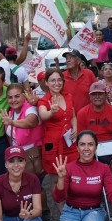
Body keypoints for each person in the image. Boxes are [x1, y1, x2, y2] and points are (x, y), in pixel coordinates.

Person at [38, 69, 77, 208]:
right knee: (55, 179)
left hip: (69, 143)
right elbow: (43, 115)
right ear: (47, 83)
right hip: (52, 145)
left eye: (59, 80)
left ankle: (74, 205)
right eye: (53, 80)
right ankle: (63, 212)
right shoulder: (43, 101)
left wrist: (75, 128)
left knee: (73, 176)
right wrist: (51, 112)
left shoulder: (68, 96)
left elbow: (73, 115)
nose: (57, 83)